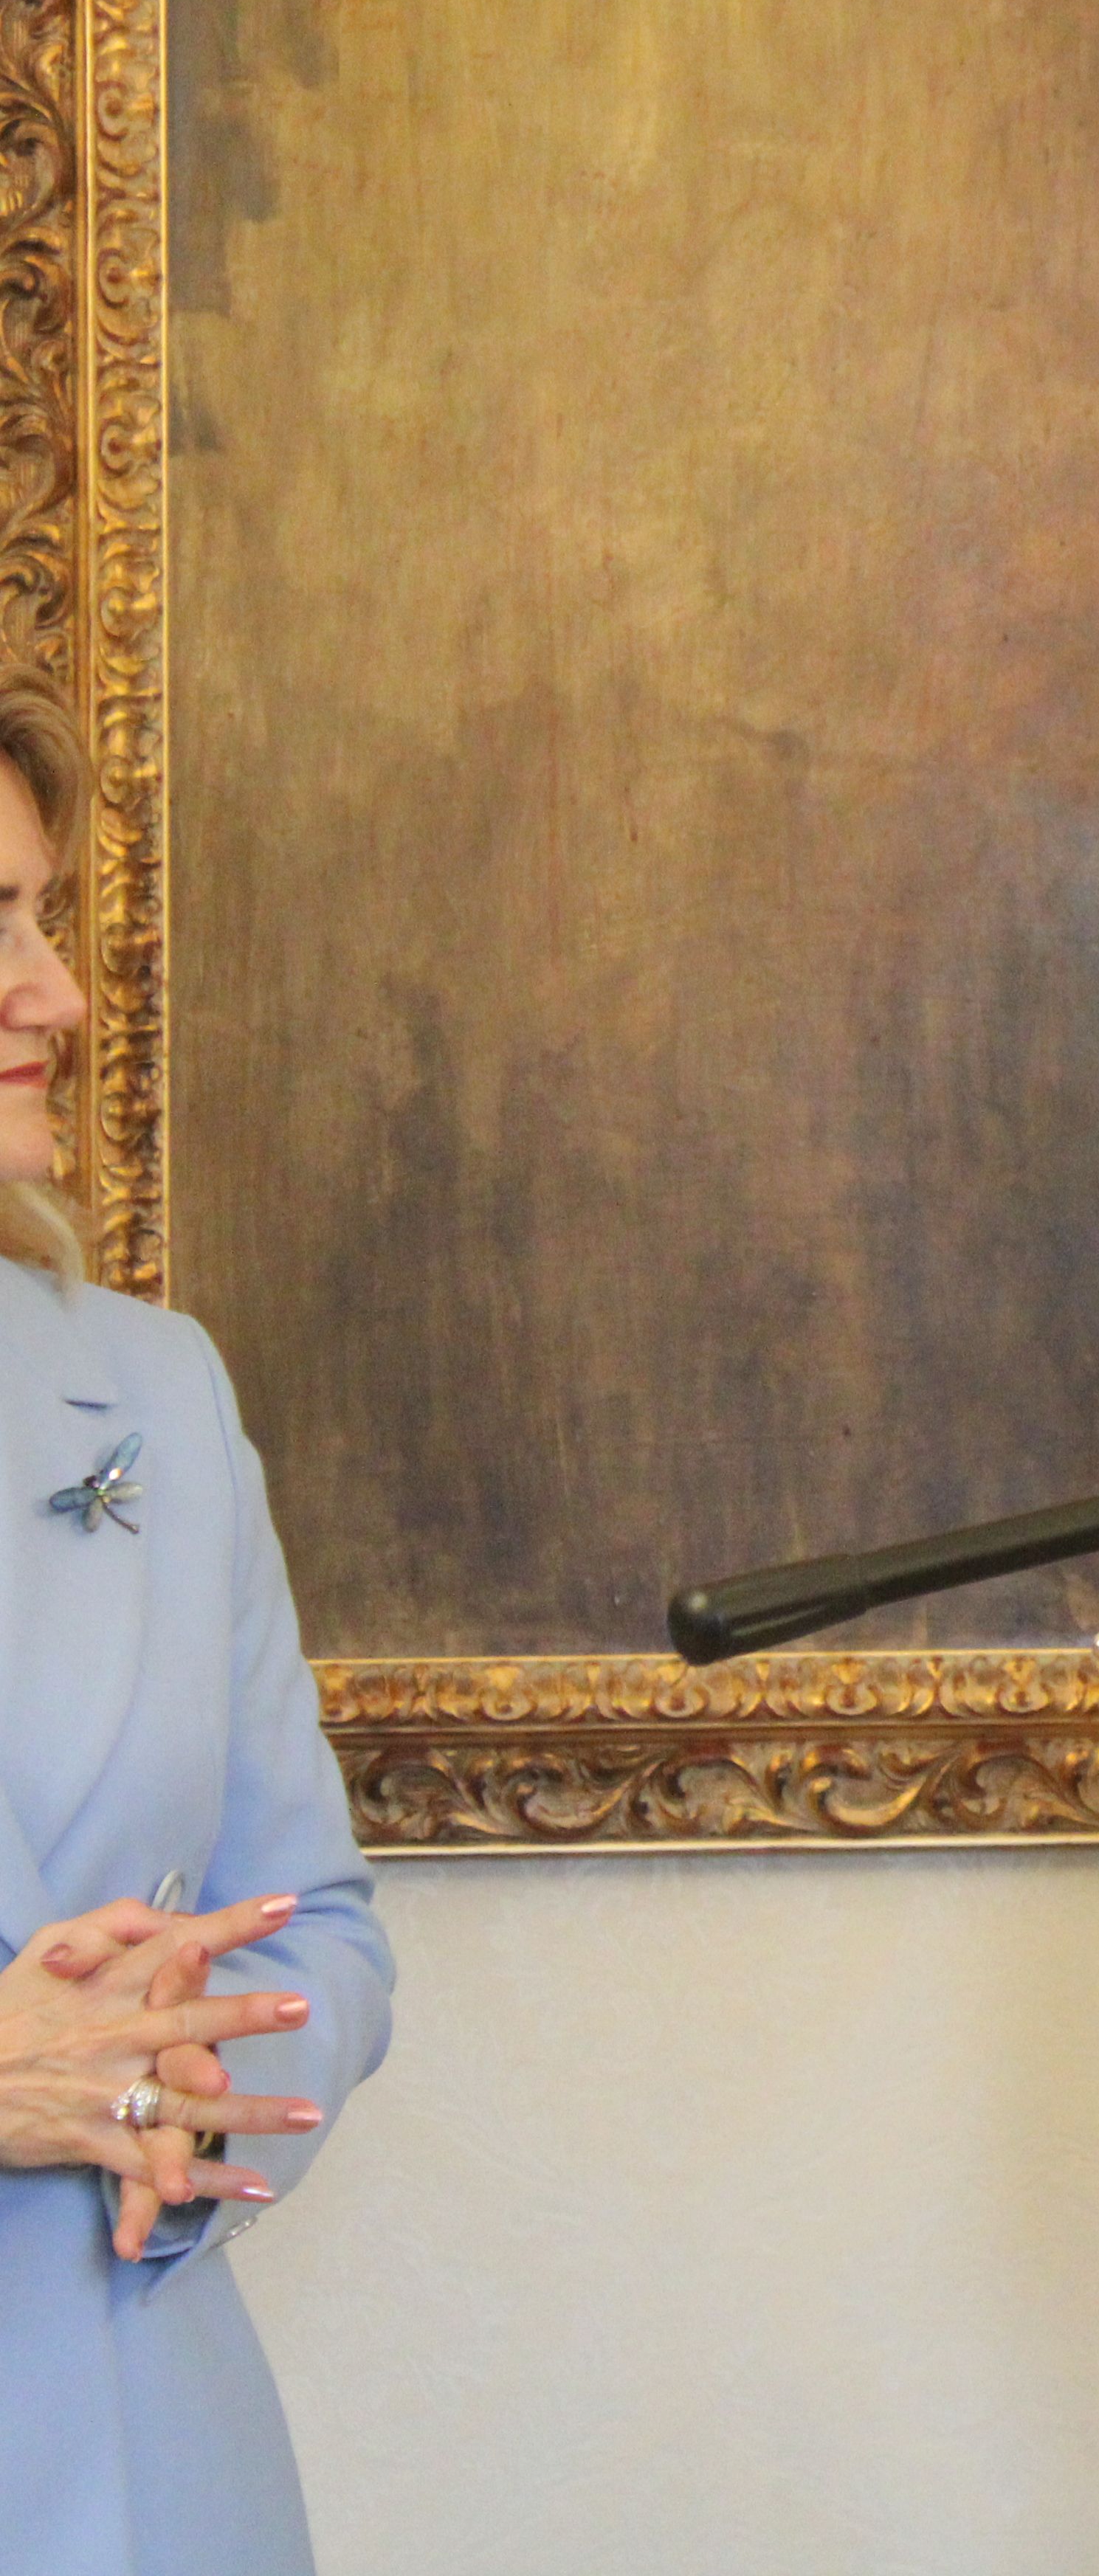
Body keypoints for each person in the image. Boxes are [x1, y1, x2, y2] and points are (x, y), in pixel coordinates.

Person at [0, 669, 394, 2572]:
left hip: (147, 2468)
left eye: (47, 919)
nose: (57, 995)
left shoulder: (152, 1395)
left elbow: (321, 1920)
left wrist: (199, 2099)